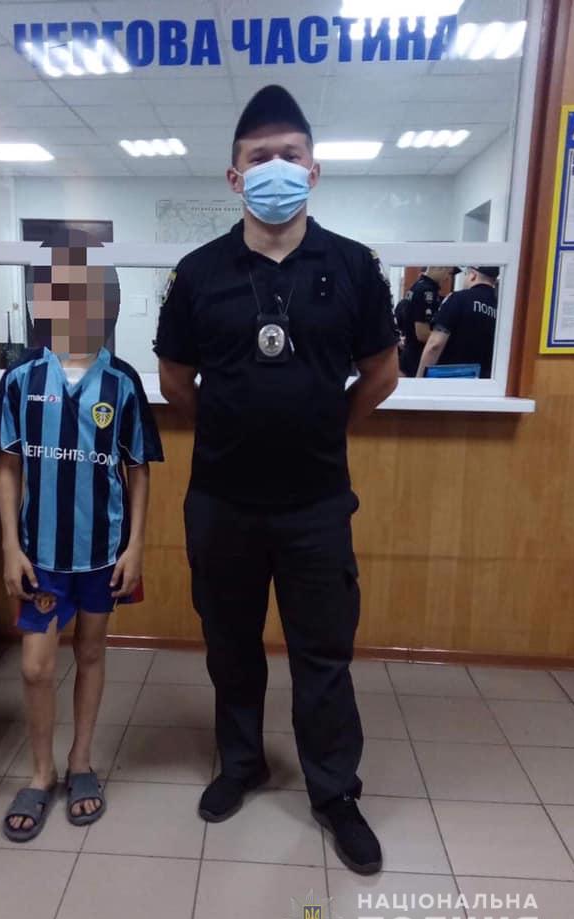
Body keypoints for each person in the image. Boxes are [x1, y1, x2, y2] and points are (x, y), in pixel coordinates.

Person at [154, 85, 399, 875]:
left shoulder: (354, 266)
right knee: (231, 647)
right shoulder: (198, 273)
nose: (276, 168)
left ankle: (334, 792)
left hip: (316, 506)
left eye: (290, 154)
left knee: (323, 655)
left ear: (314, 170)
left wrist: (324, 427)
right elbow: (175, 380)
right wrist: (234, 431)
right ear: (234, 177)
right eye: (259, 157)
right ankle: (242, 763)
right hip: (222, 502)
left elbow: (382, 372)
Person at [0, 232, 163, 842]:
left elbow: (139, 470)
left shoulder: (123, 383)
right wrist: (10, 545)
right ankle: (41, 772)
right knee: (36, 667)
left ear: (107, 304)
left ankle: (81, 762)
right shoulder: (20, 379)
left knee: (90, 652)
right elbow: (7, 465)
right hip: (40, 556)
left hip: (102, 554)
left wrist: (136, 546)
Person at [416, 266, 499, 378]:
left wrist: (420, 378)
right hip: (485, 381)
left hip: (451, 377)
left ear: (473, 275)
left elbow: (435, 344)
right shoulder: (500, 308)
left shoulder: (459, 299)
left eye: (465, 275)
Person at [396, 266, 459, 376]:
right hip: (417, 359)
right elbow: (422, 333)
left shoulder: (418, 286)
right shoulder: (427, 291)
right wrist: (447, 340)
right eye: (448, 273)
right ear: (439, 268)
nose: (447, 278)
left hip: (409, 355)